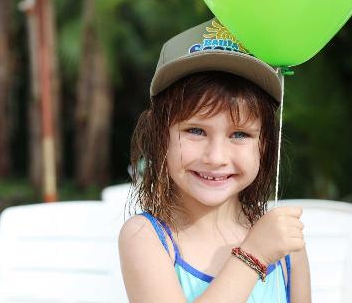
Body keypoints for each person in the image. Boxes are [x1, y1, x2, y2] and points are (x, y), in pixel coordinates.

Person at [119, 19, 311, 302]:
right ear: (161, 138)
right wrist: (253, 255)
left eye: (240, 134)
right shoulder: (146, 238)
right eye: (195, 131)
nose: (216, 157)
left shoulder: (284, 245)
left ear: (264, 144)